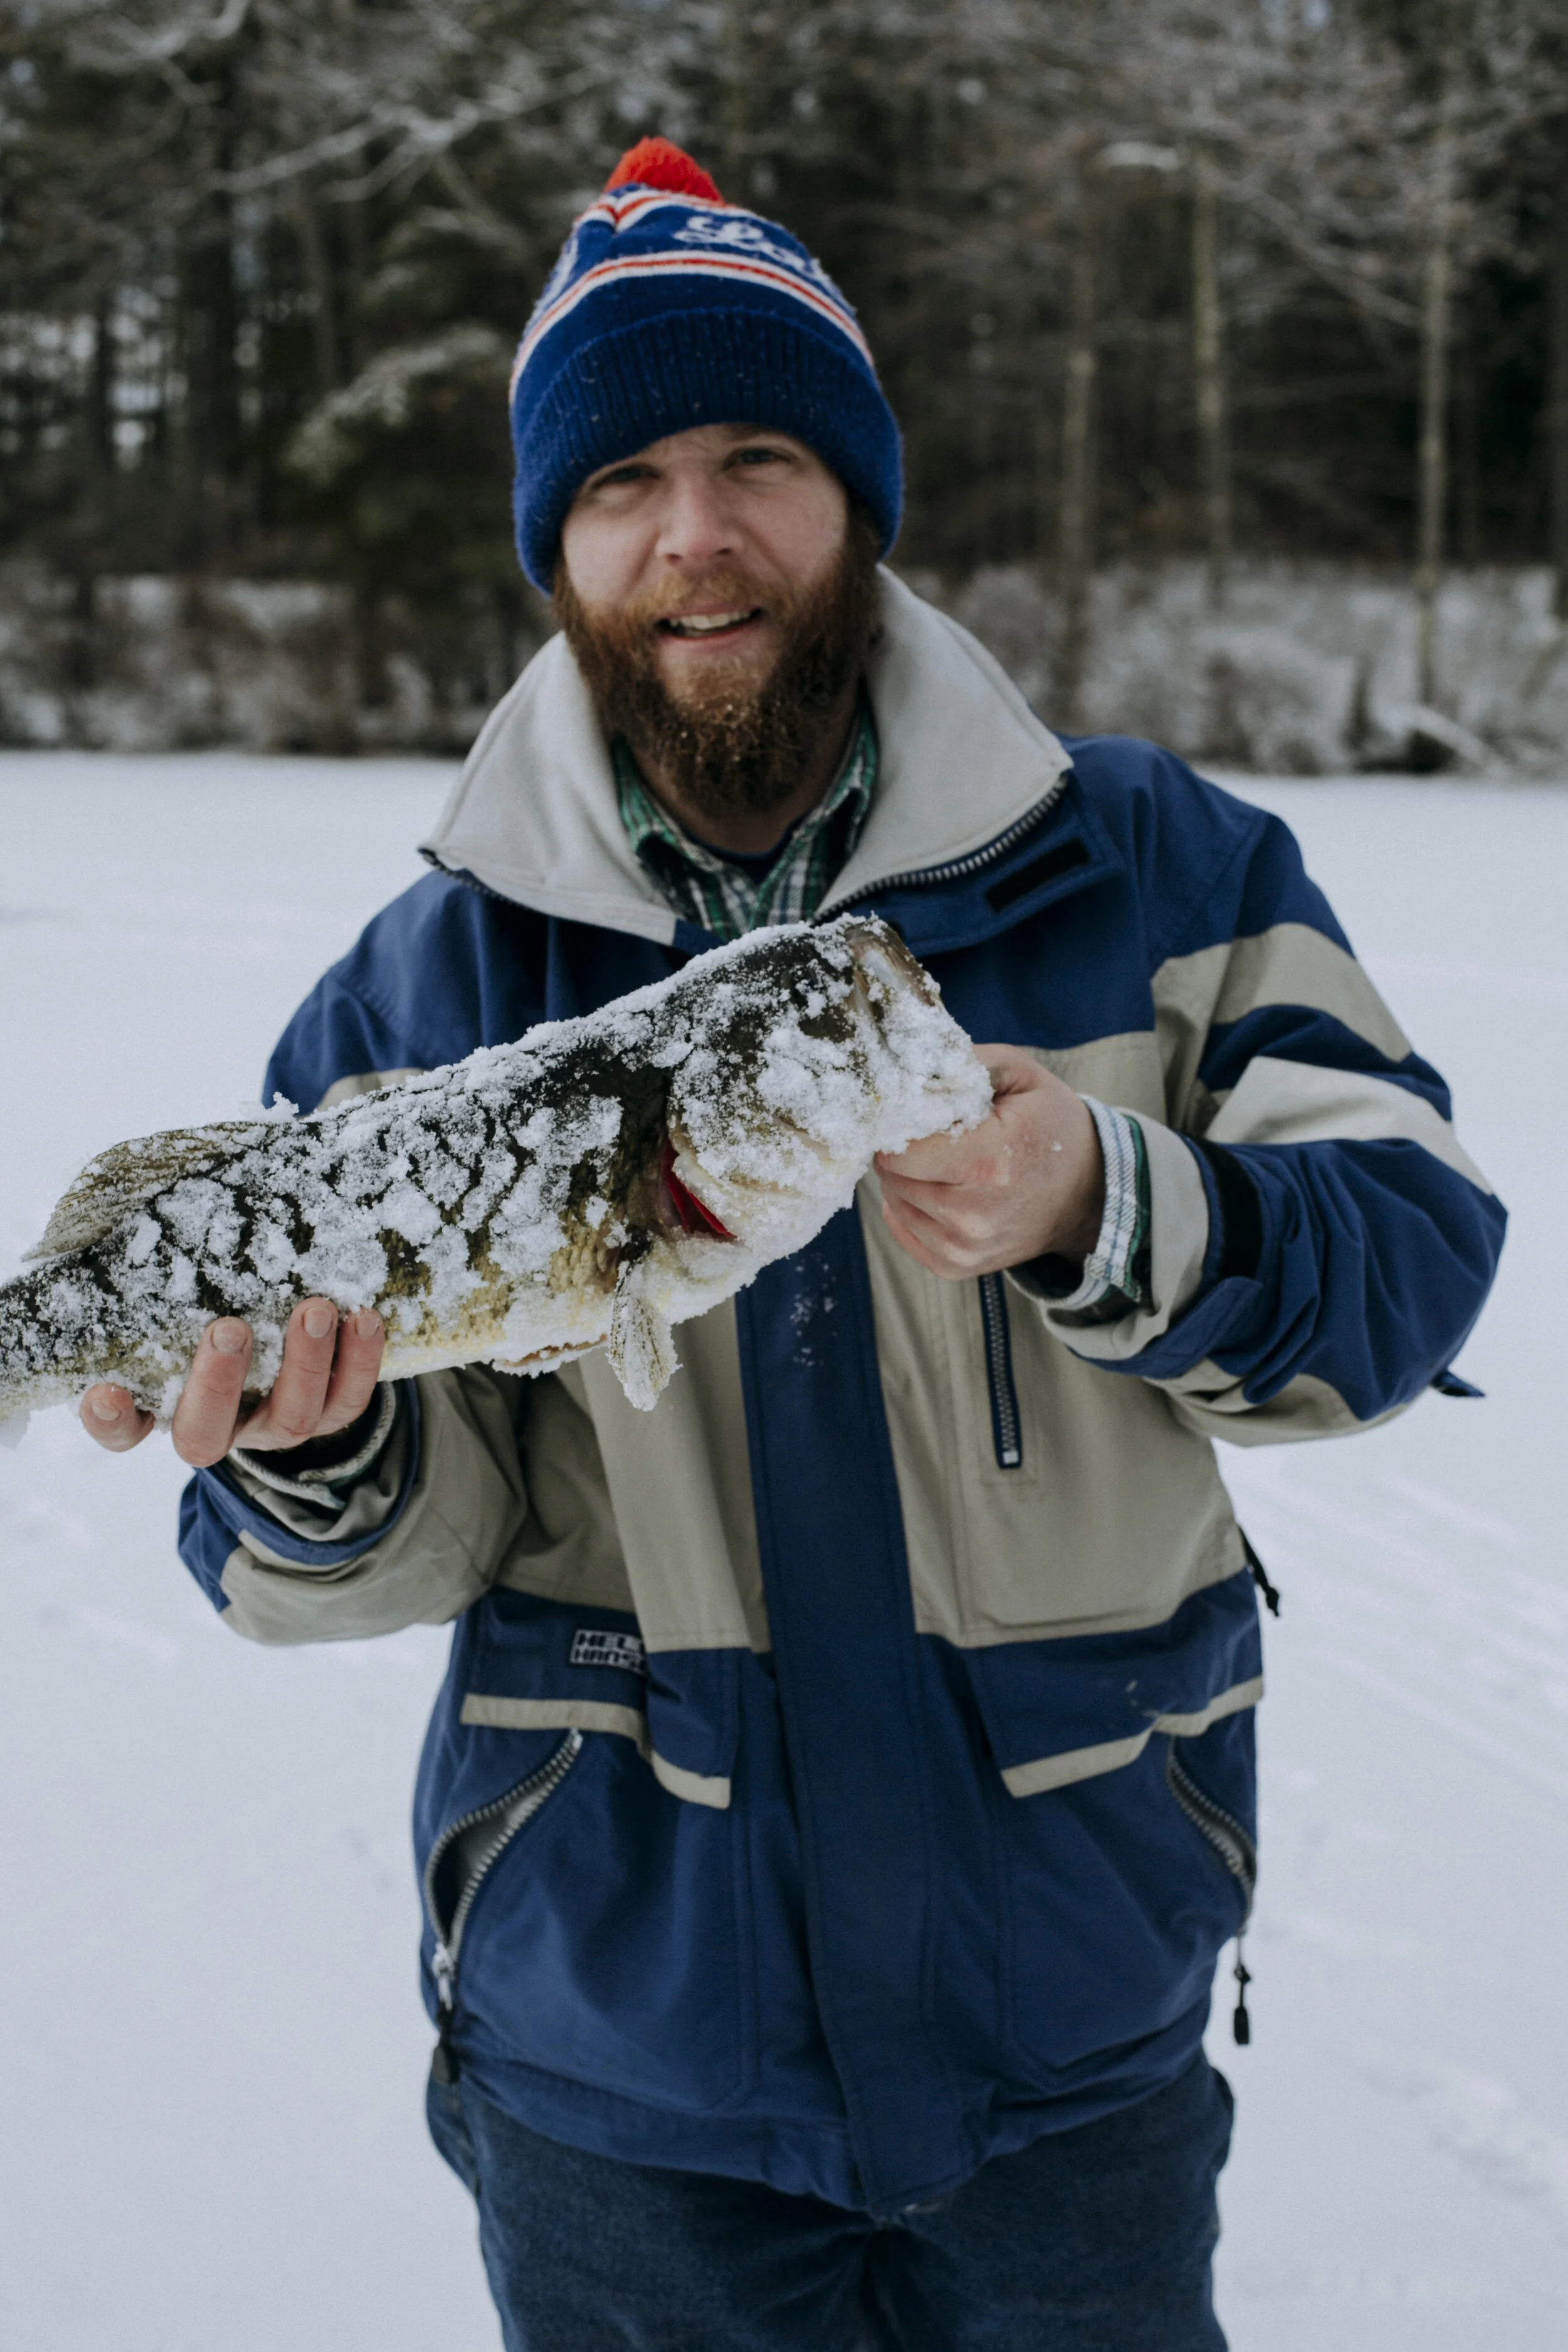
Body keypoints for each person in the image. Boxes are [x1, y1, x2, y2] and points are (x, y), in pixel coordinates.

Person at [80, 137, 1504, 2351]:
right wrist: (308, 1457)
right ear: (558, 544)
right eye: (624, 476)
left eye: (760, 455)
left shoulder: (1163, 865)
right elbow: (351, 1558)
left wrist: (1102, 1202)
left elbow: (1407, 1263)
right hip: (624, 2080)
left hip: (1076, 2040)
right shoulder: (421, 996)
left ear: (857, 497)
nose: (697, 533)